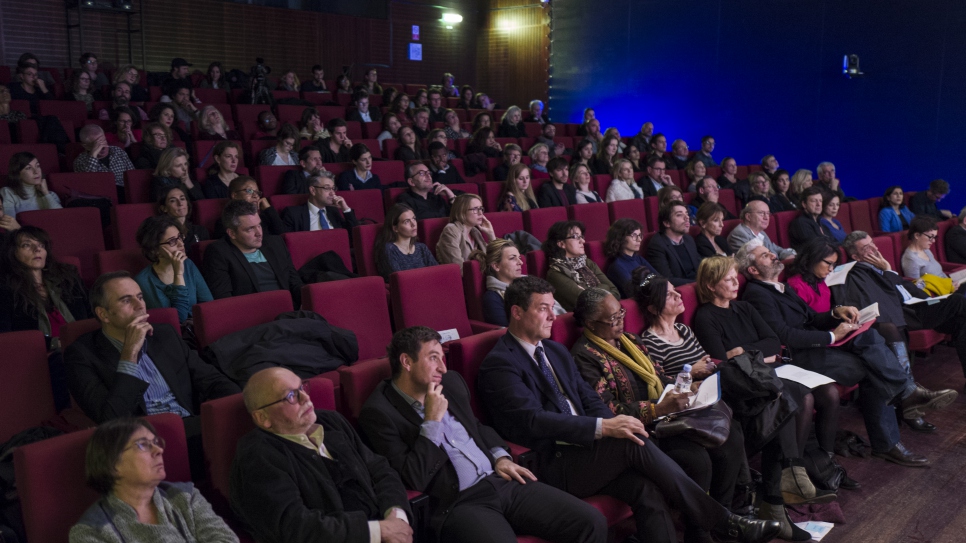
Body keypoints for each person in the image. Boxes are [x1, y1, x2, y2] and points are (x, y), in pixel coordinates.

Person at [477, 276, 782, 543]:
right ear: (516, 312)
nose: (552, 316)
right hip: (549, 463)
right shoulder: (500, 363)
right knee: (630, 445)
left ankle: (716, 523)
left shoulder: (554, 351)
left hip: (587, 450)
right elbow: (534, 421)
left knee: (645, 489)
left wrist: (618, 422)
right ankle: (722, 521)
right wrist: (606, 429)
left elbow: (588, 399)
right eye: (542, 308)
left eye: (552, 307)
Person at [359, 326, 607, 542]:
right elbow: (413, 477)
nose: (443, 368)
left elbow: (477, 427)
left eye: (442, 357)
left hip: (501, 482)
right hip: (459, 503)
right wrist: (432, 422)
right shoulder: (379, 413)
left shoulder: (452, 383)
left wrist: (500, 456)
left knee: (591, 521)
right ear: (406, 362)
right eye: (433, 358)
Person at [740, 238, 951, 467]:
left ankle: (906, 397)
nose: (772, 255)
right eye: (764, 255)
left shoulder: (780, 287)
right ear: (752, 269)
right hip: (798, 355)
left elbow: (811, 317)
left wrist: (837, 313)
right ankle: (894, 429)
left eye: (770, 252)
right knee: (874, 368)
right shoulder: (757, 293)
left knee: (868, 335)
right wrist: (832, 336)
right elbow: (784, 335)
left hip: (814, 347)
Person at [571, 288, 746, 514]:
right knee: (697, 460)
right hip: (642, 429)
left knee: (731, 435)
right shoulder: (584, 356)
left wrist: (687, 387)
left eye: (621, 313)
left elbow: (660, 376)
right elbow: (608, 409)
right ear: (591, 323)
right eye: (613, 319)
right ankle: (698, 530)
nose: (620, 321)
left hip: (668, 414)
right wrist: (656, 409)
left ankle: (726, 514)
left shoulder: (631, 340)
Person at [230, 367, 414, 543]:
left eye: (301, 387)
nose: (306, 398)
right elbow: (295, 527)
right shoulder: (257, 456)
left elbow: (380, 469)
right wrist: (378, 531)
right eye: (291, 396)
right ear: (263, 418)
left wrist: (396, 515)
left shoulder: (331, 421)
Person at [64, 270, 239, 425]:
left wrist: (236, 409)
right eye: (126, 300)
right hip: (140, 442)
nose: (140, 305)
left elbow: (212, 380)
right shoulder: (81, 355)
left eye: (140, 297)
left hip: (189, 426)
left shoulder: (164, 335)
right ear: (104, 314)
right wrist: (129, 353)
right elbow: (110, 419)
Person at [835, 231, 966, 397]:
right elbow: (888, 296)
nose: (874, 249)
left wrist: (888, 270)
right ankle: (909, 396)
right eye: (867, 248)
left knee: (962, 323)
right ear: (855, 256)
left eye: (873, 243)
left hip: (920, 303)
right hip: (908, 313)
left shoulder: (879, 266)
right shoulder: (861, 273)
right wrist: (888, 270)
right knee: (958, 301)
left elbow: (903, 285)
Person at [69, 417, 238, 543]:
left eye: (156, 442)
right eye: (142, 445)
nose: (159, 450)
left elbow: (226, 539)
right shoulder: (91, 532)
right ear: (113, 464)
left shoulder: (186, 495)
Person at [203, 200, 303, 306]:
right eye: (250, 229)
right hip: (253, 315)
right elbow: (224, 299)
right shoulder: (218, 252)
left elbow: (295, 283)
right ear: (232, 233)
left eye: (259, 225)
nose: (259, 233)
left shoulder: (276, 244)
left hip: (289, 311)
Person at [0, 225, 89, 340]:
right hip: (42, 353)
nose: (37, 249)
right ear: (12, 252)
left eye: (41, 245)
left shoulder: (68, 279)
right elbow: (8, 338)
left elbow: (91, 315)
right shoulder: (5, 290)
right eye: (26, 245)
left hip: (84, 345)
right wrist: (54, 344)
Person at [133, 215, 212, 324]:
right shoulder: (143, 281)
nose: (181, 244)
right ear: (154, 250)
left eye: (180, 237)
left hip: (198, 328)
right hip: (174, 336)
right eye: (172, 241)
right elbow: (178, 320)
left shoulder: (188, 264)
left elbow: (208, 305)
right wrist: (178, 274)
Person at [475, 239, 565, 326]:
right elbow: (507, 332)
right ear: (496, 266)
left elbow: (558, 310)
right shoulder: (493, 298)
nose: (521, 262)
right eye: (512, 258)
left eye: (519, 257)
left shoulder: (532, 282)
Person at [543, 221, 619, 311]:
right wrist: (605, 287)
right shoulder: (555, 273)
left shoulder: (587, 263)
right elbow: (589, 302)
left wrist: (592, 291)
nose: (582, 241)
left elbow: (616, 293)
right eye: (575, 237)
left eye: (581, 236)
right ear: (561, 244)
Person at [373, 204, 438, 280]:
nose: (413, 224)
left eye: (414, 219)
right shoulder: (389, 249)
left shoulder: (421, 248)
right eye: (407, 221)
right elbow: (399, 280)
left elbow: (437, 272)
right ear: (395, 228)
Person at [645, 201, 702, 286]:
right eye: (679, 215)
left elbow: (699, 266)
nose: (687, 218)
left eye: (686, 213)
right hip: (680, 291)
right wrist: (699, 283)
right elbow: (666, 280)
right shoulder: (657, 245)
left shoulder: (688, 239)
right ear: (667, 223)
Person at [282, 171, 359, 233]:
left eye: (333, 188)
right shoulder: (293, 214)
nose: (332, 193)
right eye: (327, 188)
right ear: (313, 190)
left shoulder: (333, 212)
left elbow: (354, 235)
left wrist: (345, 209)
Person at [436, 194, 496, 270]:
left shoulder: (475, 231)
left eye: (481, 208)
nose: (480, 213)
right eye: (475, 209)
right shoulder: (451, 230)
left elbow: (496, 260)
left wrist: (491, 234)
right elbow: (459, 268)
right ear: (462, 212)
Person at [900, 215, 961, 288]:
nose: (933, 241)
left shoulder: (926, 250)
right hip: (938, 295)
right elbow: (916, 288)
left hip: (947, 287)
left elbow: (940, 273)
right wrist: (947, 287)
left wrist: (951, 283)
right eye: (930, 237)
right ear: (917, 235)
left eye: (935, 237)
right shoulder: (910, 258)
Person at [216, 176, 287, 236]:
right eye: (249, 191)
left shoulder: (264, 217)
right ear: (235, 195)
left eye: (257, 192)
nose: (255, 195)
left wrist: (268, 209)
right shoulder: (224, 222)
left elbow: (284, 235)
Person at [604, 219, 657, 297]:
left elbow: (658, 277)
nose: (639, 240)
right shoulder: (617, 266)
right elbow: (635, 291)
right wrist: (650, 280)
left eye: (640, 235)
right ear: (620, 237)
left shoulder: (638, 259)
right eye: (634, 235)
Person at [74, 124, 136, 191]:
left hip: (124, 191)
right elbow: (89, 183)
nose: (103, 147)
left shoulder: (118, 152)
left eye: (103, 141)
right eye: (97, 144)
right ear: (86, 146)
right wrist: (93, 155)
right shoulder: (80, 161)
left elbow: (133, 175)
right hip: (100, 194)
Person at [727, 200, 796, 259]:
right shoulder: (739, 234)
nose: (766, 217)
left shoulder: (761, 232)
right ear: (748, 216)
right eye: (761, 213)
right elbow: (754, 261)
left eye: (768, 213)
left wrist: (789, 256)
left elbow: (776, 249)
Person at [2, 152, 62, 217]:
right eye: (28, 168)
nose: (36, 171)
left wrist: (46, 193)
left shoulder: (51, 195)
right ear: (17, 174)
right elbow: (9, 224)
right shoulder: (8, 193)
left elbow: (62, 218)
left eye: (38, 166)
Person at [157, 186, 209, 259]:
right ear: (164, 208)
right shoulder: (163, 234)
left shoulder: (200, 231)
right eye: (173, 200)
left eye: (182, 198)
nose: (180, 203)